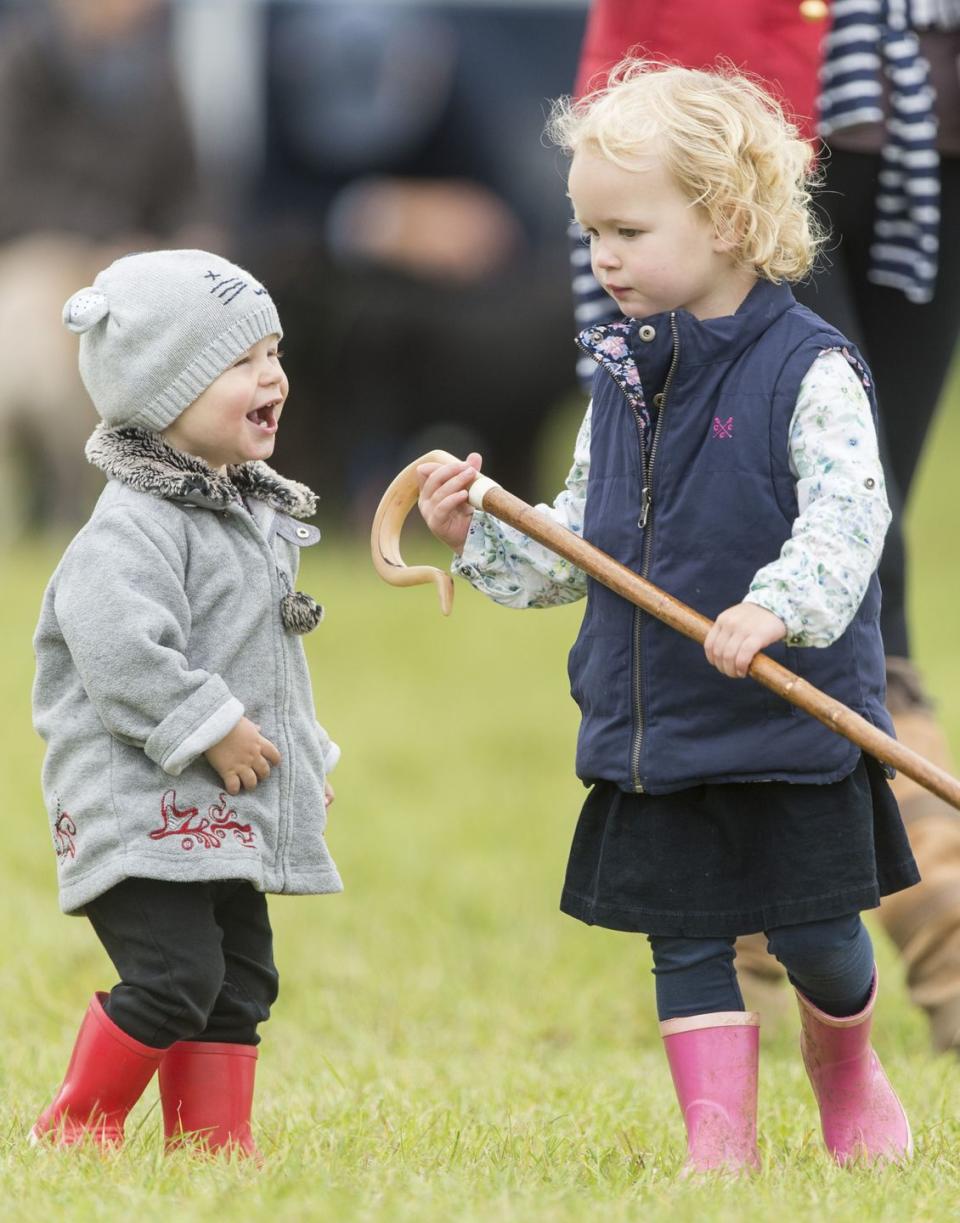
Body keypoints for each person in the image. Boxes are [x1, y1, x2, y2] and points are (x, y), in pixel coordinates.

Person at [416, 61, 919, 1173]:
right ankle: (718, 1148)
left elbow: (851, 521)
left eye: (628, 231)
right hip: (663, 727)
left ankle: (845, 1061)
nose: (602, 258)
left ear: (731, 219)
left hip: (791, 727)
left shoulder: (812, 370)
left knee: (815, 936)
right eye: (590, 231)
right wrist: (487, 534)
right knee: (684, 937)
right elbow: (584, 550)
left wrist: (774, 606)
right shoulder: (620, 377)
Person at [569, 0, 960, 1051]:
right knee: (770, 484)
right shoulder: (684, 213)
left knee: (850, 501)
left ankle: (831, 898)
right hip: (722, 104)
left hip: (929, 107)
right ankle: (915, 914)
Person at [31, 250, 341, 1156]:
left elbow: (264, 664)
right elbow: (122, 651)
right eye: (240, 361)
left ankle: (212, 1146)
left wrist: (302, 757)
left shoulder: (242, 514)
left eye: (274, 353)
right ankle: (77, 1125)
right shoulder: (132, 526)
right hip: (136, 805)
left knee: (242, 978)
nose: (271, 376)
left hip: (215, 808)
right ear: (161, 390)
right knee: (174, 975)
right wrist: (214, 729)